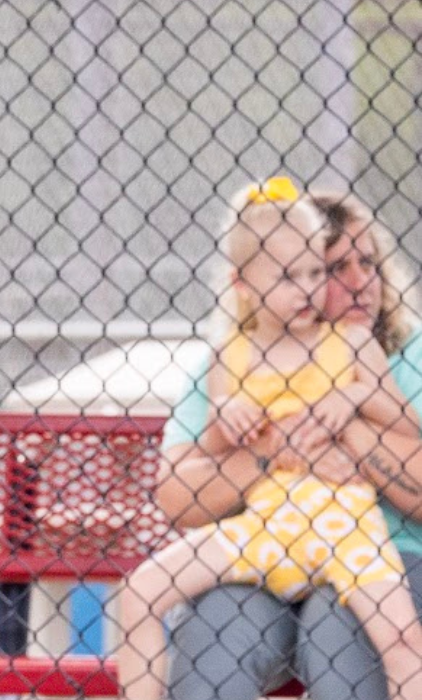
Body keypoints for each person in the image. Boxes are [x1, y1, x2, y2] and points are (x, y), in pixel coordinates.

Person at [158, 190, 422, 700]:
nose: (360, 281)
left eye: (369, 262)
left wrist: (351, 426)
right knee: (213, 632)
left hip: (389, 557)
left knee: (335, 629)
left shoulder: (411, 356)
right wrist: (273, 446)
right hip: (265, 553)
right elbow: (175, 495)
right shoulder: (235, 363)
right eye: (335, 267)